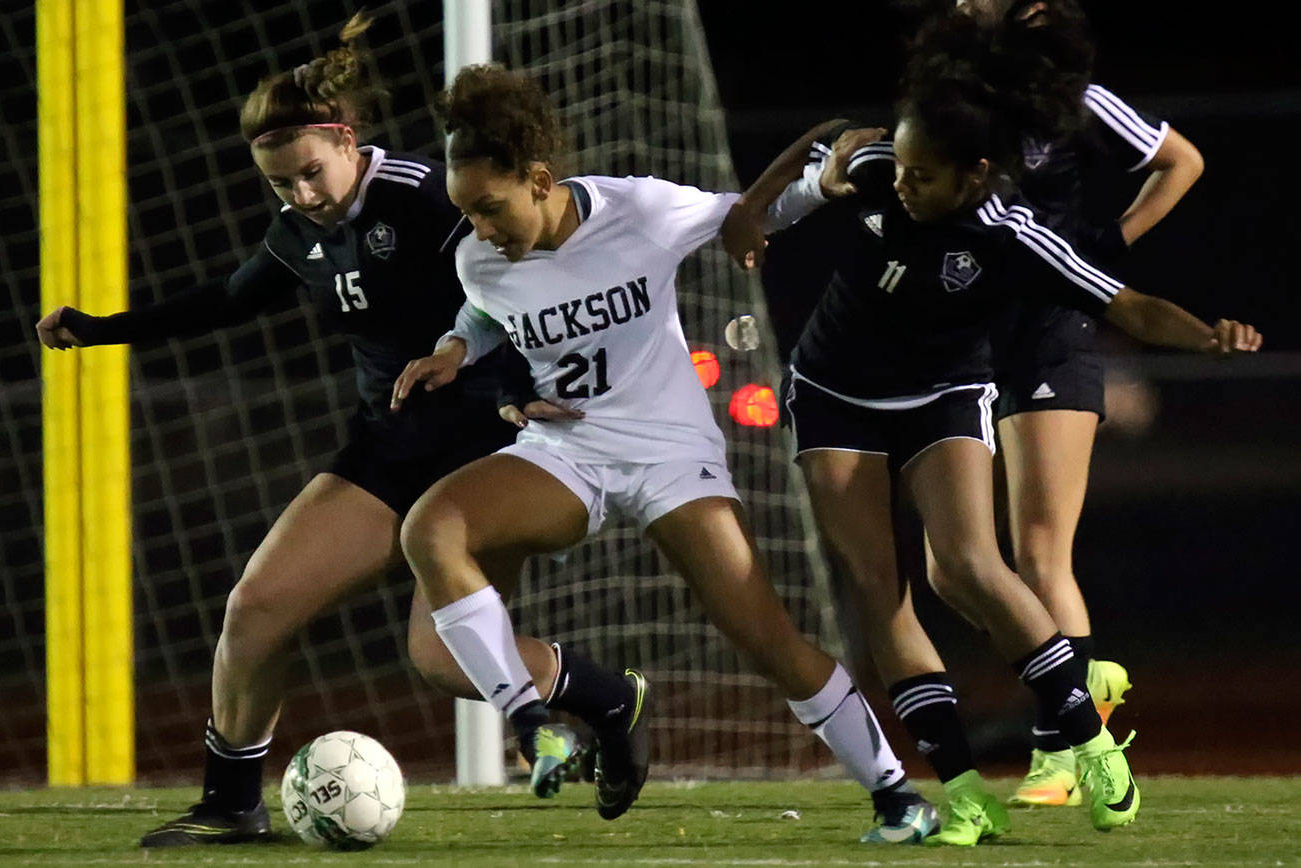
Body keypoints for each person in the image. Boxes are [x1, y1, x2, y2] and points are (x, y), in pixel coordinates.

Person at [36, 13, 635, 846]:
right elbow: (224, 303)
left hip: (485, 449)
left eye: (311, 174)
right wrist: (98, 328)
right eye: (282, 184)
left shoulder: (426, 197)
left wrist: (547, 381)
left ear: (349, 142)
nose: (302, 196)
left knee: (438, 657)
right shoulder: (296, 232)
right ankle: (232, 804)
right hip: (384, 449)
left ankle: (606, 697)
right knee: (257, 606)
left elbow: (530, 267)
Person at [722, 13, 1260, 846]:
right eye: (898, 166)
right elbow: (815, 155)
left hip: (942, 393)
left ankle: (1087, 741)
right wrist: (760, 208)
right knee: (878, 593)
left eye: (923, 176)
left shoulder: (1013, 234)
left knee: (971, 566)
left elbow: (1129, 305)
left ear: (975, 175)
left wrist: (1210, 335)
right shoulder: (876, 169)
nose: (902, 184)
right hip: (833, 396)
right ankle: (966, 794)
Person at [389, 62, 937, 843]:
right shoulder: (480, 257)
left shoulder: (640, 209)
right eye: (465, 212)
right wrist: (454, 346)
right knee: (429, 528)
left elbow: (747, 215)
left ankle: (895, 795)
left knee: (764, 635)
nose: (478, 228)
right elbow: (483, 307)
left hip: (670, 454)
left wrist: (823, 183)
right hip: (565, 452)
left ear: (539, 179)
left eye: (489, 207)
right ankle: (535, 724)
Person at [949, 0, 1207, 808]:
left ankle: (1061, 754)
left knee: (1037, 554)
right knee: (957, 564)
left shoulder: (1078, 99)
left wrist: (1106, 250)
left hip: (1051, 337)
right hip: (964, 342)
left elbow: (1183, 161)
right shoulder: (948, 95)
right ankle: (1086, 677)